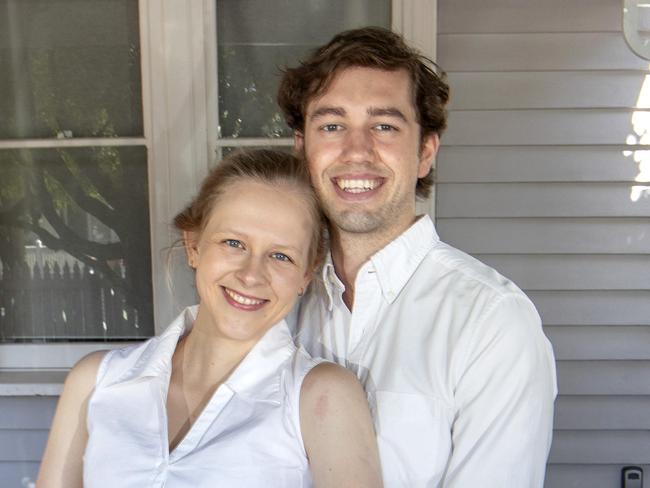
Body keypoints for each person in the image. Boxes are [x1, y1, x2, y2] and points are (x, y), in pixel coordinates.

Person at [278, 27, 557, 487]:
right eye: (332, 125)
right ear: (302, 147)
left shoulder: (492, 324)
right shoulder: (278, 301)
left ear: (425, 152)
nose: (356, 150)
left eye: (384, 126)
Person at [37, 149, 382, 488]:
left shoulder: (321, 395)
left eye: (281, 255)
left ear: (305, 275)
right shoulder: (96, 382)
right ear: (194, 246)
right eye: (234, 243)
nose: (251, 274)